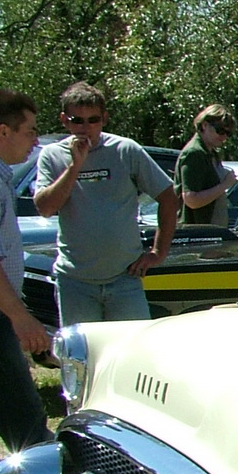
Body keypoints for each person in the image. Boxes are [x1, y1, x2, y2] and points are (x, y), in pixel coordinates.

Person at [34, 82, 179, 324]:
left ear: (104, 119)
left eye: (93, 120)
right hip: (75, 281)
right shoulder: (52, 155)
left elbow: (168, 198)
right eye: (77, 120)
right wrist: (75, 165)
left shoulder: (126, 150)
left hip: (124, 278)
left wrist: (157, 253)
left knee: (131, 355)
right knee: (83, 357)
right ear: (64, 120)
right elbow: (46, 208)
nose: (85, 128)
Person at [0, 89, 51, 454]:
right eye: (29, 131)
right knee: (28, 429)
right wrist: (21, 318)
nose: (36, 141)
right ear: (3, 132)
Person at [176, 104, 238, 227]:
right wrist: (225, 185)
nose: (224, 137)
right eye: (220, 131)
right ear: (204, 125)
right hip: (196, 233)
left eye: (228, 133)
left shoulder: (211, 153)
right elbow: (191, 200)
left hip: (213, 230)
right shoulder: (194, 153)